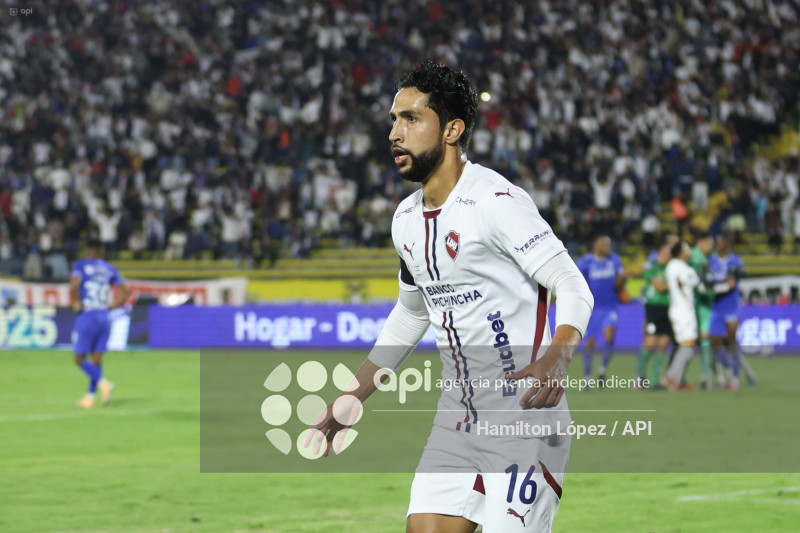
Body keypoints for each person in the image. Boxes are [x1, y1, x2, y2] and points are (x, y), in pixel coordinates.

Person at [307, 61, 593, 533]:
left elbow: (572, 285)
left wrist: (556, 357)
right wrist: (349, 401)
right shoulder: (405, 220)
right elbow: (409, 316)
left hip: (523, 419)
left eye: (412, 118)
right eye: (394, 120)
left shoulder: (496, 203)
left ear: (452, 129)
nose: (396, 133)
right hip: (456, 418)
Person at [70, 238, 131, 408]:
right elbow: (127, 291)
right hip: (105, 316)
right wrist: (111, 307)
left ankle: (103, 382)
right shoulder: (109, 268)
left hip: (88, 314)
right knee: (96, 358)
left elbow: (74, 285)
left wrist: (76, 303)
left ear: (88, 250)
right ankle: (90, 397)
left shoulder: (80, 265)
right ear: (101, 252)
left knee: (79, 358)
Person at [577, 235, 626, 386]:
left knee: (609, 336)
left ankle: (603, 369)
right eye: (606, 244)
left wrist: (623, 279)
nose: (609, 247)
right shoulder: (585, 262)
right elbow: (579, 283)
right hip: (592, 308)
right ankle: (587, 377)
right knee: (590, 341)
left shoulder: (614, 260)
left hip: (609, 306)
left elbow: (619, 284)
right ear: (596, 246)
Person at [708, 233, 754, 389]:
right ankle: (730, 370)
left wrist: (717, 284)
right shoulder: (711, 260)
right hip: (717, 305)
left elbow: (733, 281)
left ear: (728, 244)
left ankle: (734, 376)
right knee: (714, 343)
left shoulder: (735, 260)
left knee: (731, 340)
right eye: (717, 241)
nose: (718, 244)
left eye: (721, 242)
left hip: (731, 305)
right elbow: (709, 280)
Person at [636, 233, 678, 389]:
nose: (670, 256)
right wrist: (675, 285)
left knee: (663, 342)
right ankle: (640, 377)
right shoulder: (651, 266)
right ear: (661, 252)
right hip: (654, 307)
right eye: (668, 252)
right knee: (650, 341)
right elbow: (659, 287)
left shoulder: (671, 267)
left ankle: (655, 380)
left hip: (668, 307)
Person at [664, 241, 701, 391]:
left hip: (686, 309)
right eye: (686, 247)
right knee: (688, 343)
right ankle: (672, 378)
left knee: (688, 344)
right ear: (680, 251)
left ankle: (677, 379)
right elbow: (683, 281)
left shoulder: (684, 266)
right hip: (681, 310)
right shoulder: (674, 265)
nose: (689, 249)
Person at [688, 232, 715, 389]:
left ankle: (706, 376)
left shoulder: (705, 259)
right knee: (701, 341)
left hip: (703, 305)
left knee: (704, 339)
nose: (711, 247)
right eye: (709, 243)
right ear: (702, 242)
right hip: (698, 305)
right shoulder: (694, 257)